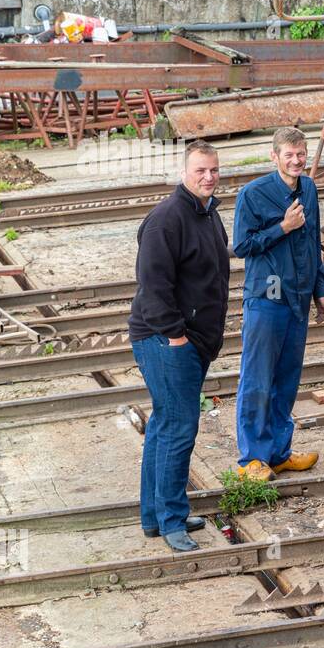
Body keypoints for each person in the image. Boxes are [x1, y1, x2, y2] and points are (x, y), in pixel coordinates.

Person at [128, 140, 231, 552]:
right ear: (184, 172)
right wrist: (176, 336)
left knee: (164, 425)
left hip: (193, 342)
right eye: (200, 170)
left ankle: (155, 517)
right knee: (178, 428)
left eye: (214, 170)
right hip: (165, 340)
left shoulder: (208, 215)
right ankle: (171, 521)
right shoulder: (166, 220)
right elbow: (153, 287)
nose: (208, 177)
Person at [232, 127, 324, 482]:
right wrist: (283, 227)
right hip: (266, 299)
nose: (296, 160)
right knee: (258, 379)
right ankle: (251, 461)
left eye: (301, 154)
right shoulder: (252, 195)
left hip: (298, 300)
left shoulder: (309, 189)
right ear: (274, 157)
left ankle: (278, 452)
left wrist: (320, 291)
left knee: (287, 380)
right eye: (288, 154)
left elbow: (314, 243)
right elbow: (241, 246)